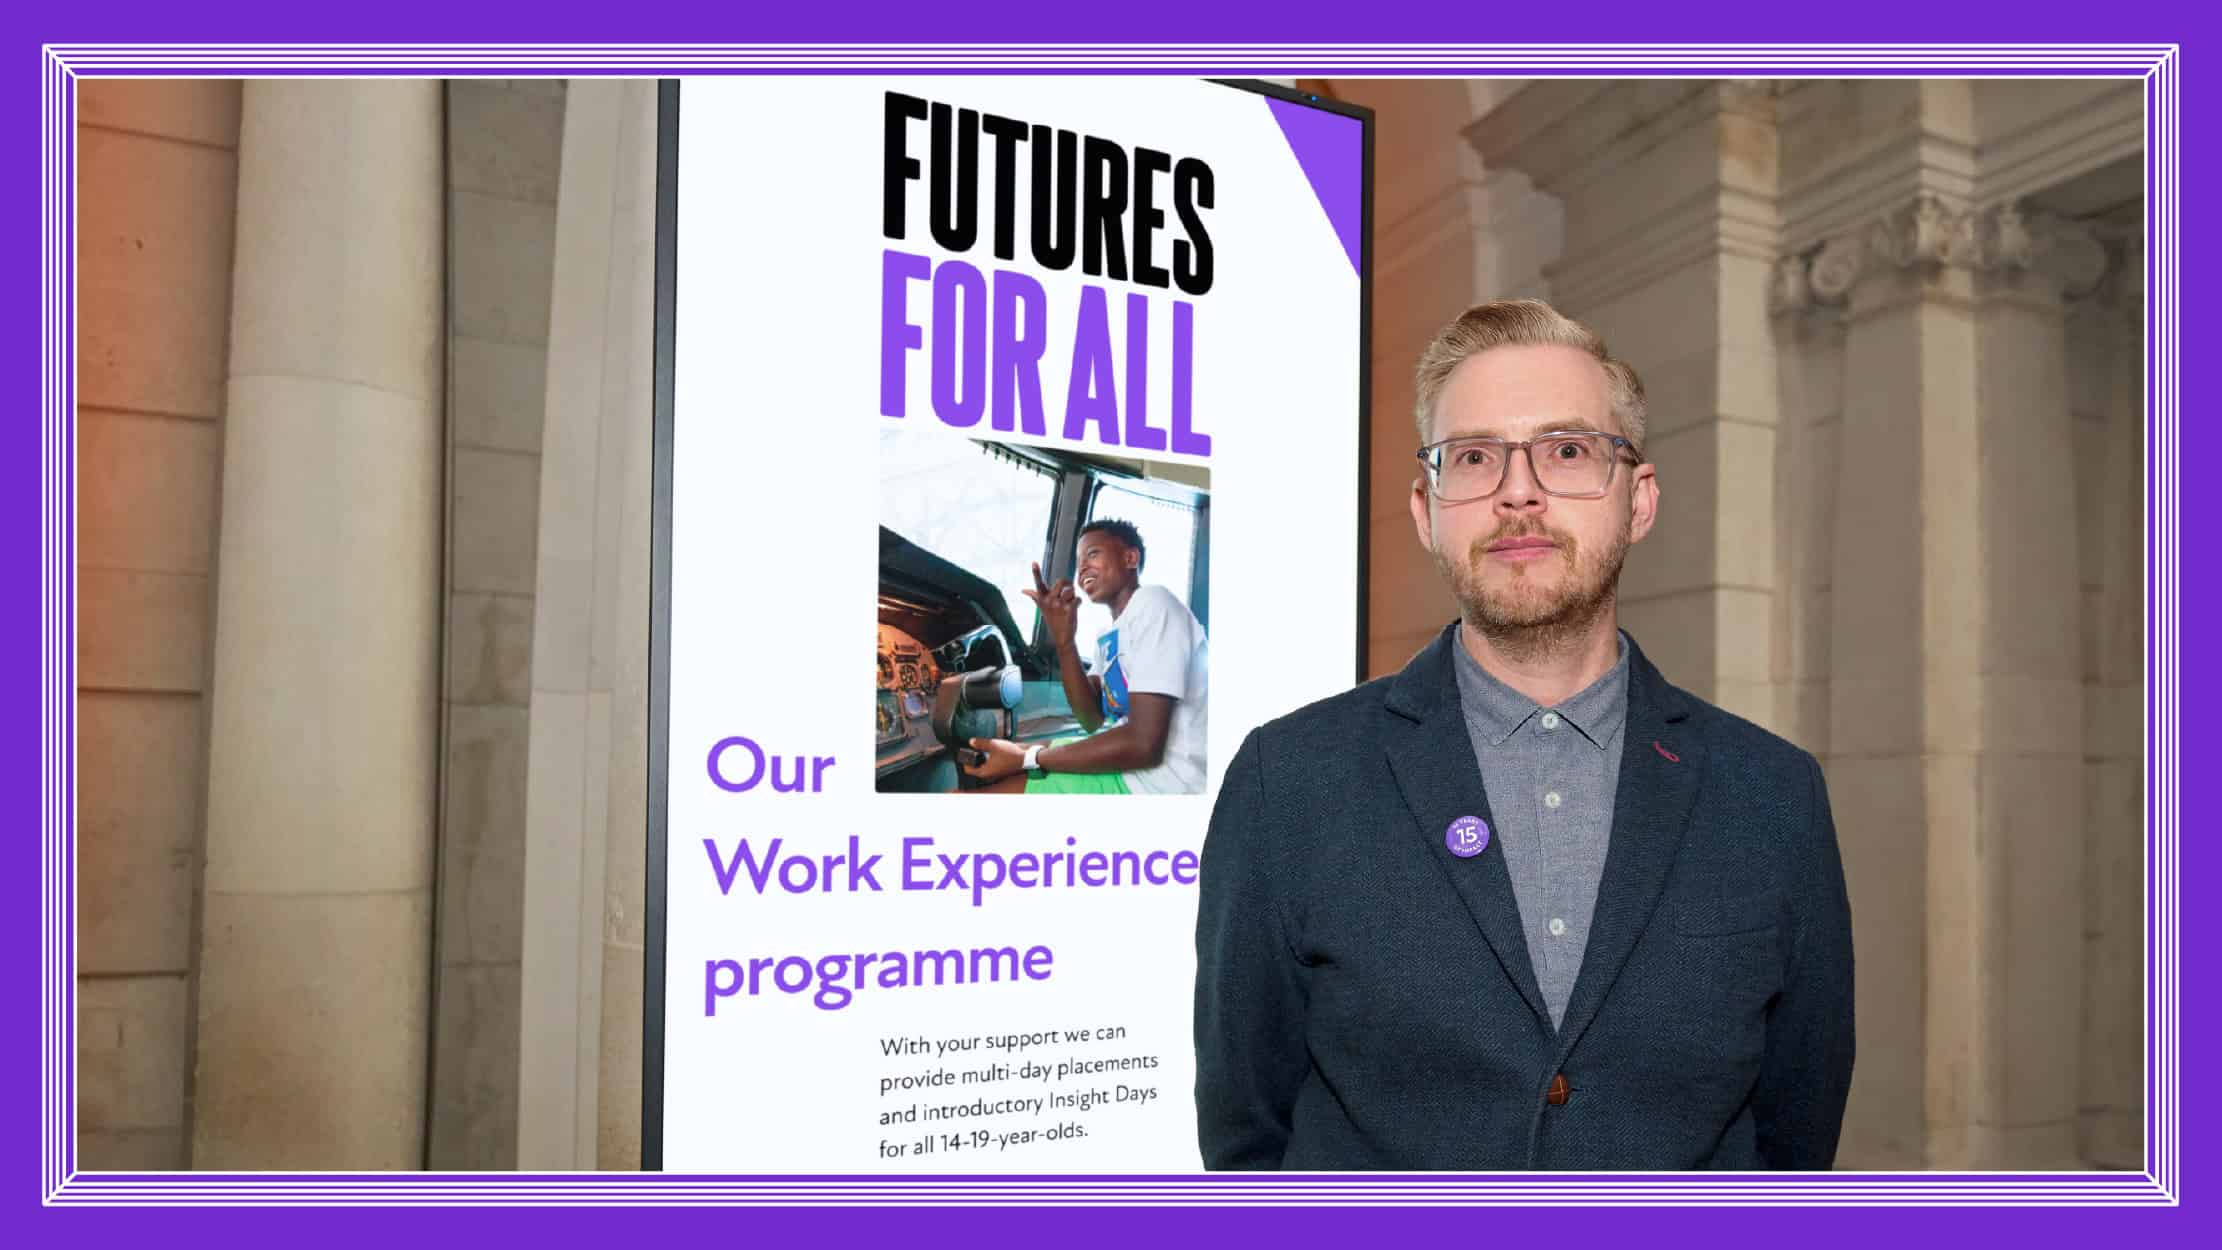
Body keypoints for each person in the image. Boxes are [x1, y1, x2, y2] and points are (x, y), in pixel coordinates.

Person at [1194, 299, 1855, 1170]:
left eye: (1569, 450)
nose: (1518, 490)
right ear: (1428, 512)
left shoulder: (1773, 794)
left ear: (1639, 501)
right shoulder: (1290, 780)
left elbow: (1794, 1140)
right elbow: (1251, 1131)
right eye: (1473, 458)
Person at [962, 518, 1209, 795]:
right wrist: (1064, 641)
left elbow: (1143, 745)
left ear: (1130, 558)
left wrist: (1028, 758)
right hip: (1136, 771)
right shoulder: (1110, 633)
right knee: (1007, 762)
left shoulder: (1154, 604)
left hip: (1164, 784)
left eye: (1093, 554)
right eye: (1079, 561)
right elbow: (1090, 719)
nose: (1082, 568)